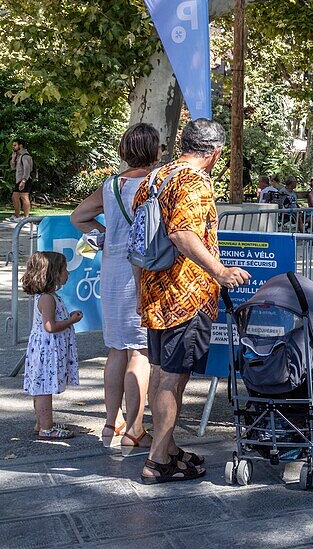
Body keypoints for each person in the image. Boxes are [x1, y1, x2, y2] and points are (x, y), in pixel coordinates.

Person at [134, 118, 251, 484]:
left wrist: (141, 293)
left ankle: (167, 449)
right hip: (185, 295)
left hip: (155, 291)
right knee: (173, 378)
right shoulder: (194, 182)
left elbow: (138, 245)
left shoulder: (156, 178)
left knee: (160, 373)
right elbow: (182, 233)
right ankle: (157, 461)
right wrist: (219, 270)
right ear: (215, 152)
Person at [70, 122, 160, 448]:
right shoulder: (155, 184)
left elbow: (78, 216)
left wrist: (104, 235)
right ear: (154, 151)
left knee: (116, 349)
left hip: (110, 273)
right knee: (140, 351)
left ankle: (111, 424)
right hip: (141, 274)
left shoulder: (110, 186)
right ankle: (135, 429)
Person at [22, 251, 81, 440]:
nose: (68, 273)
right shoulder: (47, 298)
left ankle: (42, 422)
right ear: (54, 274)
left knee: (42, 387)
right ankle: (46, 428)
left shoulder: (48, 296)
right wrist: (71, 320)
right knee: (44, 389)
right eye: (65, 269)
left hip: (46, 349)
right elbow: (50, 326)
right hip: (47, 350)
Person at [9, 138, 33, 221]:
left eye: (15, 145)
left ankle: (26, 218)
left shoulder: (25, 156)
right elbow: (13, 168)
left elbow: (27, 170)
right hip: (19, 180)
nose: (13, 147)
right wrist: (13, 158)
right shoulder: (18, 156)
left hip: (25, 180)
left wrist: (23, 181)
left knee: (24, 197)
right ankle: (17, 216)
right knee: (14, 197)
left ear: (20, 145)